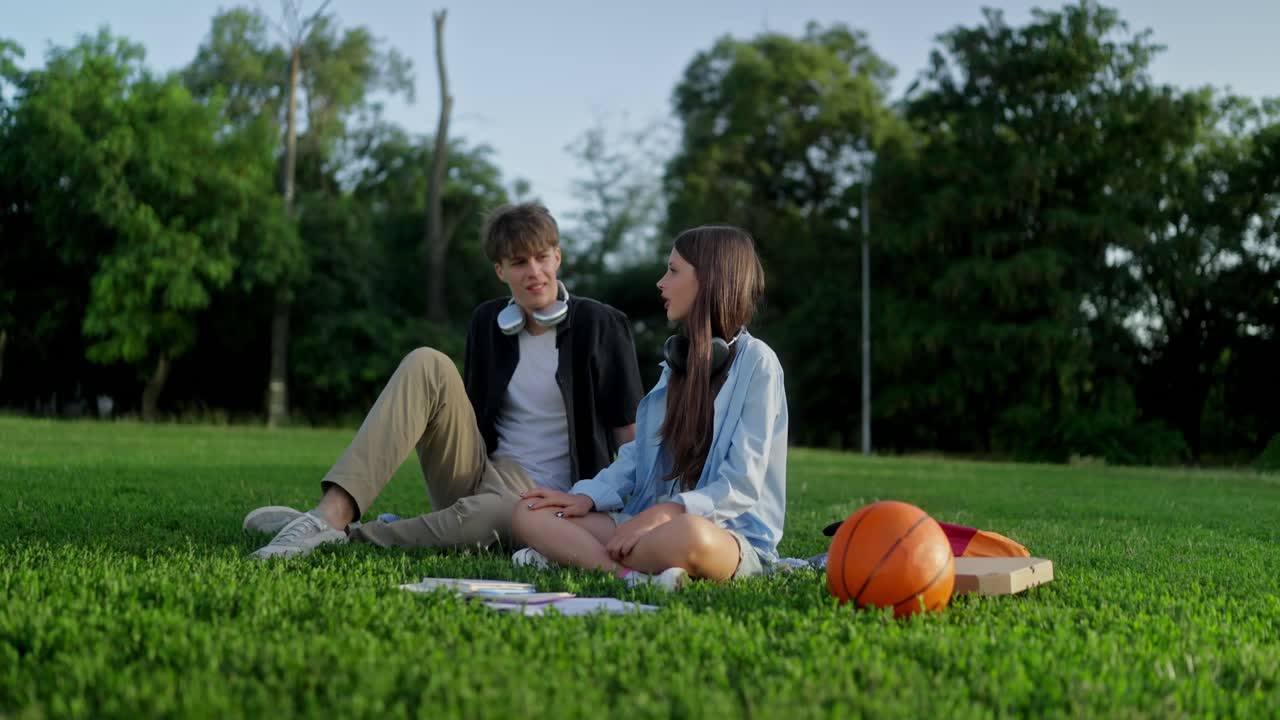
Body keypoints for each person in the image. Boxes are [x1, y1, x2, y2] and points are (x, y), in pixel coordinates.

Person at [245, 203, 645, 559]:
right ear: (500, 270)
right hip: (483, 473)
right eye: (519, 262)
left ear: (558, 257)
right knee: (427, 361)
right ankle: (329, 515)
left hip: (551, 503)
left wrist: (617, 509)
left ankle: (347, 536)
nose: (534, 272)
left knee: (487, 515)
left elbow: (631, 437)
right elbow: (466, 419)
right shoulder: (487, 322)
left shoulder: (601, 324)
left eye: (542, 257)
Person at [511, 225, 787, 589]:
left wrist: (667, 513)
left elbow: (741, 484)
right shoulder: (677, 363)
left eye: (673, 271)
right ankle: (628, 576)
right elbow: (638, 457)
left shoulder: (759, 363)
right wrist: (584, 496)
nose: (661, 282)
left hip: (724, 535)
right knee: (530, 513)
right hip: (645, 523)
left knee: (690, 534)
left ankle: (575, 555)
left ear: (709, 279)